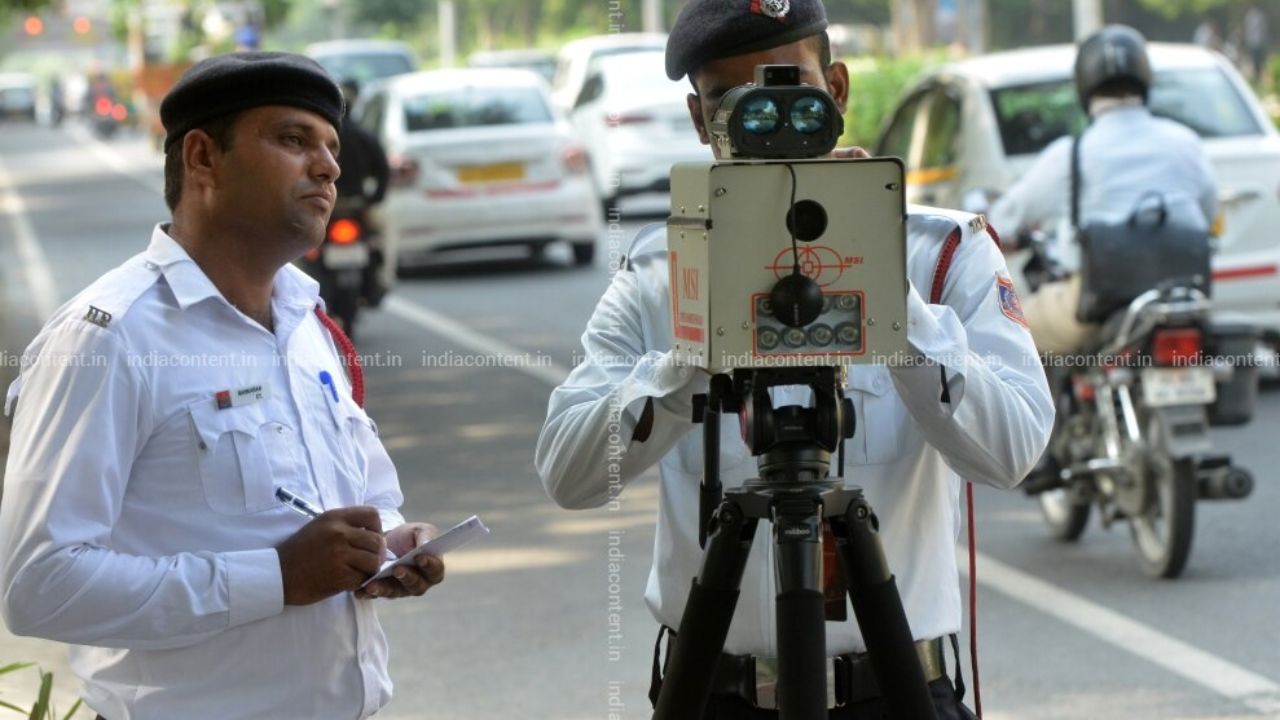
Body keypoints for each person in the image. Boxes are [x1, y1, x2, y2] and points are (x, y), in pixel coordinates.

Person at [534, 1, 1053, 718]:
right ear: (698, 120)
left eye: (791, 93)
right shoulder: (663, 273)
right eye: (732, 102)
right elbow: (568, 473)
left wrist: (884, 297)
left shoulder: (941, 256)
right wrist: (691, 357)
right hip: (716, 693)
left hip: (893, 692)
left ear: (835, 93)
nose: (767, 124)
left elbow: (1013, 452)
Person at [0, 52, 444, 720]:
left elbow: (350, 500)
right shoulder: (108, 339)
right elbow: (39, 585)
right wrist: (277, 577)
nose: (328, 166)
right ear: (204, 159)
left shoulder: (306, 324)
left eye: (329, 145)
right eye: (294, 140)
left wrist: (386, 543)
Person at [988, 25, 1218, 356]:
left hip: (1097, 300)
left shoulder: (1071, 153)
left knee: (1009, 325)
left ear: (1084, 86)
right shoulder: (1186, 141)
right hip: (1183, 293)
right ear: (1144, 78)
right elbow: (1208, 213)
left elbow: (1006, 218)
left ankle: (1051, 409)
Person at [334, 79, 392, 306]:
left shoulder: (321, 136)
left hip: (336, 208)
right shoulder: (364, 136)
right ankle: (381, 280)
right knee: (382, 235)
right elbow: (383, 171)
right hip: (359, 205)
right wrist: (373, 200)